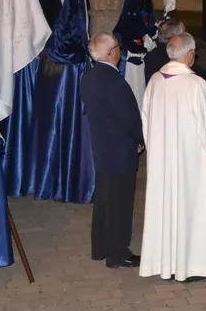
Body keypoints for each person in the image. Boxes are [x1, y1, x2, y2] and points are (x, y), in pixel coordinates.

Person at [139, 33, 206, 282]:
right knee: (191, 209)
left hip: (162, 162)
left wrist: (156, 149)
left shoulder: (155, 81)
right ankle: (192, 265)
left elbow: (145, 121)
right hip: (192, 164)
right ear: (189, 55)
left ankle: (164, 261)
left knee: (165, 207)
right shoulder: (197, 86)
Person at [81, 32, 144, 269]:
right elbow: (129, 118)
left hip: (102, 147)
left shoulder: (89, 77)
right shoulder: (115, 82)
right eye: (117, 46)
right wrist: (140, 139)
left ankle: (101, 246)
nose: (120, 50)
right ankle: (118, 252)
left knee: (105, 200)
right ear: (111, 53)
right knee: (120, 203)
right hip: (120, 151)